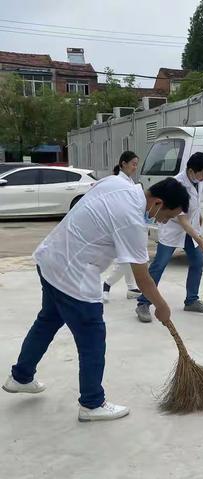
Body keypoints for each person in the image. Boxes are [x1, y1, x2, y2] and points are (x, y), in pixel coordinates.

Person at [2, 175, 189, 422]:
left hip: (51, 258)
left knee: (47, 320)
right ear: (157, 202)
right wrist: (162, 306)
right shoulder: (132, 221)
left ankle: (20, 377)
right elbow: (143, 278)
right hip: (72, 274)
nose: (164, 221)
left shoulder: (117, 183)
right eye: (168, 215)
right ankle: (92, 403)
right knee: (92, 336)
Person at [136, 152, 203, 323]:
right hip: (174, 228)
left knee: (197, 263)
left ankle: (192, 300)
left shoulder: (200, 182)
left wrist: (199, 216)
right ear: (192, 171)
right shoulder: (177, 184)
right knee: (159, 264)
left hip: (191, 230)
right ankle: (143, 302)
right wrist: (199, 239)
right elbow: (182, 220)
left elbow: (195, 204)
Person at [103, 151, 142, 302]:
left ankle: (130, 287)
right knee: (126, 258)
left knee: (127, 258)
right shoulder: (117, 181)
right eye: (133, 164)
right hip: (117, 226)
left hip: (128, 225)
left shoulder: (130, 182)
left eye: (136, 164)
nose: (135, 167)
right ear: (123, 164)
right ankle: (107, 285)